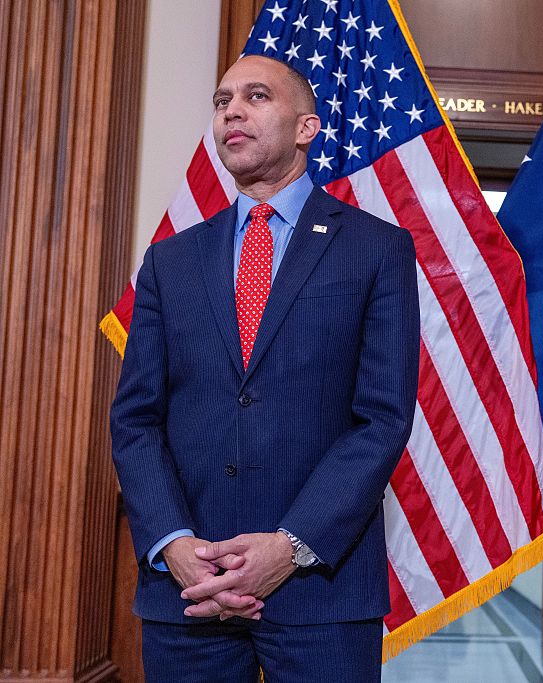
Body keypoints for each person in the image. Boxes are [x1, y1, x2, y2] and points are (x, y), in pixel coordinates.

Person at [110, 54, 419, 682]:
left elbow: (382, 419)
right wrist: (174, 545)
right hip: (189, 590)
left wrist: (290, 546)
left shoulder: (377, 248)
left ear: (306, 128)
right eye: (222, 101)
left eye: (255, 96)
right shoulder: (170, 261)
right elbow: (136, 419)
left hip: (321, 593)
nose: (232, 112)